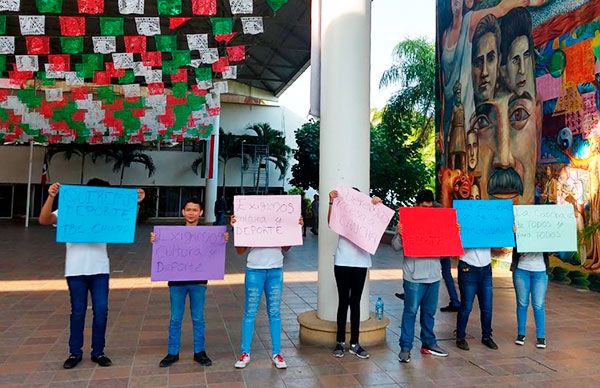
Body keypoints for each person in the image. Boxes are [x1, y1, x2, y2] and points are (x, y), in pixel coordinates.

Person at [38, 179, 145, 369]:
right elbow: (44, 220)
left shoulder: (106, 212)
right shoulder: (72, 208)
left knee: (101, 311)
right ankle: (74, 352)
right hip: (75, 270)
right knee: (78, 312)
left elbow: (126, 223)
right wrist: (51, 196)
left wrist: (136, 203)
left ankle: (98, 352)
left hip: (100, 270)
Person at [151, 198, 229, 368]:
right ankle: (172, 353)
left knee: (198, 317)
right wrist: (156, 240)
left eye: (195, 210)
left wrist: (222, 239)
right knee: (175, 318)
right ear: (183, 212)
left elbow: (215, 252)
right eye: (188, 209)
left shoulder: (208, 235)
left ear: (200, 212)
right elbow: (163, 250)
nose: (191, 213)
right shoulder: (171, 234)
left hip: (198, 282)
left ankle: (199, 352)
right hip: (176, 282)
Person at [231, 215, 304, 369]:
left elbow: (286, 247)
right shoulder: (251, 223)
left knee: (274, 312)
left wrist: (294, 228)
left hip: (275, 271)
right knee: (250, 312)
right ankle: (245, 352)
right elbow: (240, 250)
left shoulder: (279, 224)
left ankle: (277, 353)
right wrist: (238, 229)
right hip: (254, 271)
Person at [393, 189, 449, 363]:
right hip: (413, 277)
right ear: (417, 205)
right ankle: (405, 347)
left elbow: (447, 248)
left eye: (430, 207)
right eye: (424, 207)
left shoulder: (438, 221)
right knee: (410, 312)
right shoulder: (407, 221)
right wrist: (400, 234)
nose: (427, 210)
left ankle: (429, 343)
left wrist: (453, 232)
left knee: (429, 313)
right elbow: (395, 246)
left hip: (434, 275)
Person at [329, 188, 382, 359]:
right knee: (343, 301)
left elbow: (378, 223)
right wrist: (332, 202)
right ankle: (340, 342)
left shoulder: (367, 212)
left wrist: (377, 206)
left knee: (356, 302)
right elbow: (330, 222)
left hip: (361, 262)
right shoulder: (341, 215)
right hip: (342, 261)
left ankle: (354, 343)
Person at [456, 248, 498, 351]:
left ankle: (487, 336)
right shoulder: (461, 230)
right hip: (468, 265)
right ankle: (460, 337)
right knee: (466, 306)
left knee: (487, 307)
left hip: (486, 267)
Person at [511, 245, 549, 349]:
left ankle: (541, 337)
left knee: (538, 305)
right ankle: (521, 334)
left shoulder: (546, 230)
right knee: (522, 303)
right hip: (521, 269)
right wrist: (514, 232)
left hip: (540, 271)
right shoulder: (518, 228)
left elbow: (554, 248)